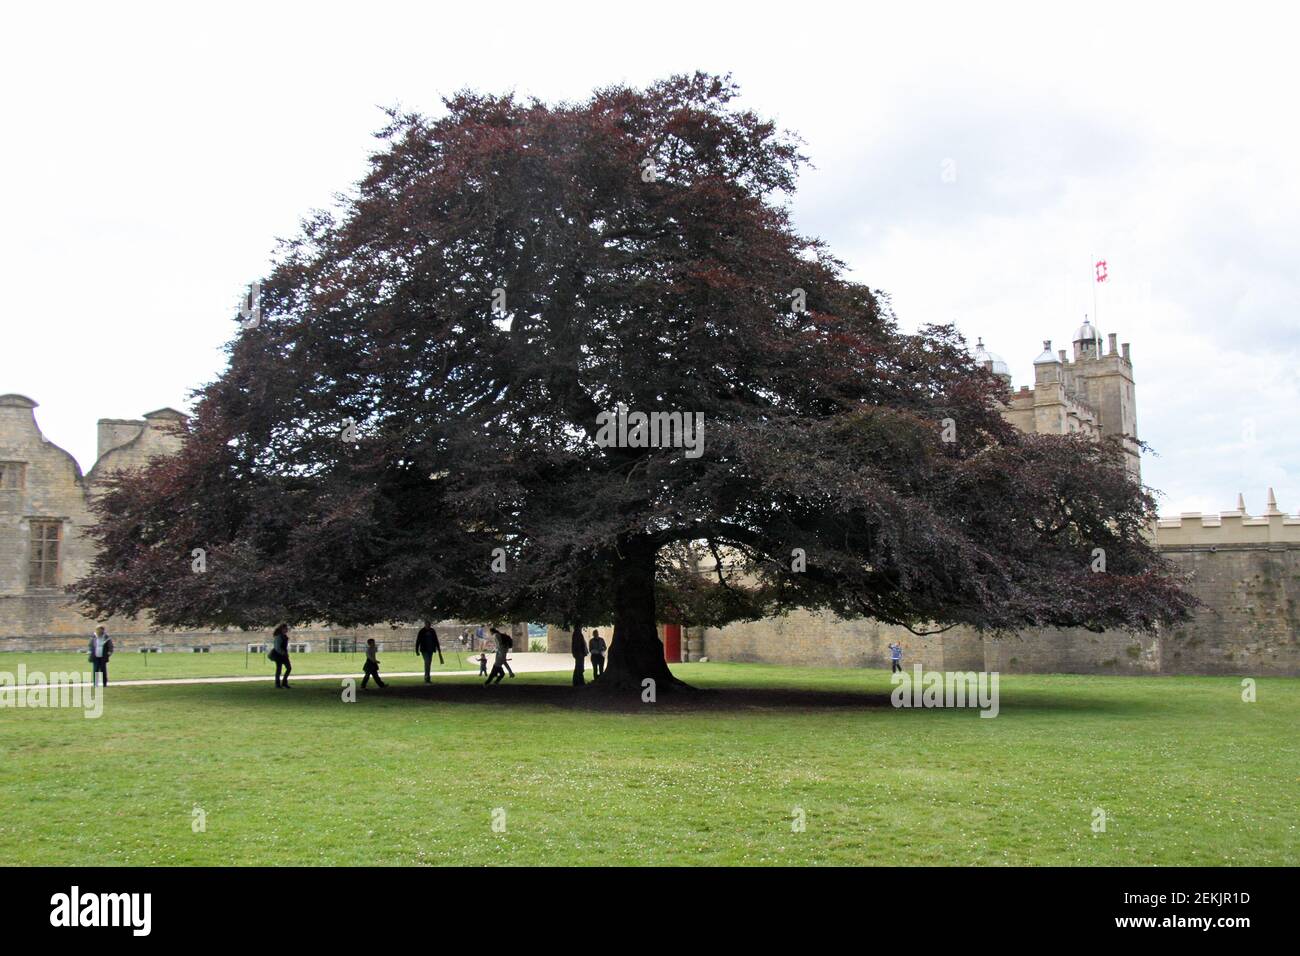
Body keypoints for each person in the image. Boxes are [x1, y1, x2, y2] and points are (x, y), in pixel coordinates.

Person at [269, 623, 293, 688]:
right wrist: (283, 653)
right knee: (279, 670)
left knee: (289, 668)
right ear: (282, 629)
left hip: (284, 655)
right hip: (278, 655)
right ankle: (277, 684)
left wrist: (285, 653)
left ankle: (284, 682)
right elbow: (277, 648)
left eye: (287, 628)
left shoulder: (284, 636)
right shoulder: (278, 637)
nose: (286, 630)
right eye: (285, 628)